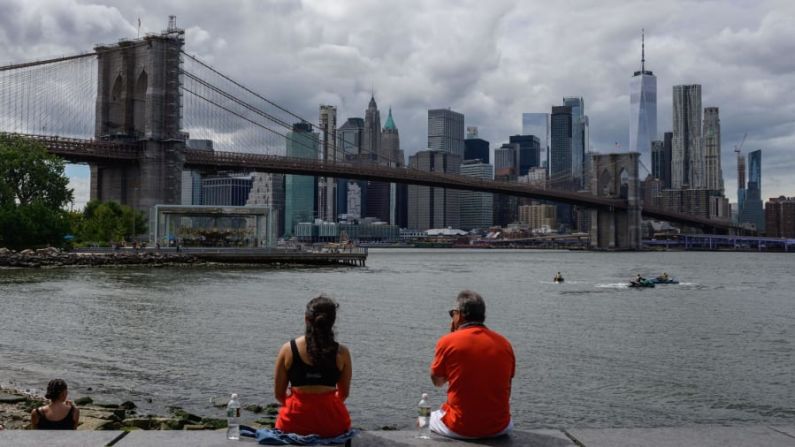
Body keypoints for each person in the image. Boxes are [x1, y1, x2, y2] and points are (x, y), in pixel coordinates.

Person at [429, 290, 515, 439]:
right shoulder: (505, 344)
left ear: (459, 315)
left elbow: (437, 382)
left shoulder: (448, 341)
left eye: (452, 314)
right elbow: (508, 388)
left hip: (459, 427)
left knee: (426, 417)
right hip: (499, 427)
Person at [273, 296, 352, 437]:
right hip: (333, 424)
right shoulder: (342, 352)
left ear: (306, 318)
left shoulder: (288, 349)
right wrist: (323, 407)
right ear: (332, 322)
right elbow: (344, 393)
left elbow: (279, 394)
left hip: (293, 422)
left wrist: (301, 408)